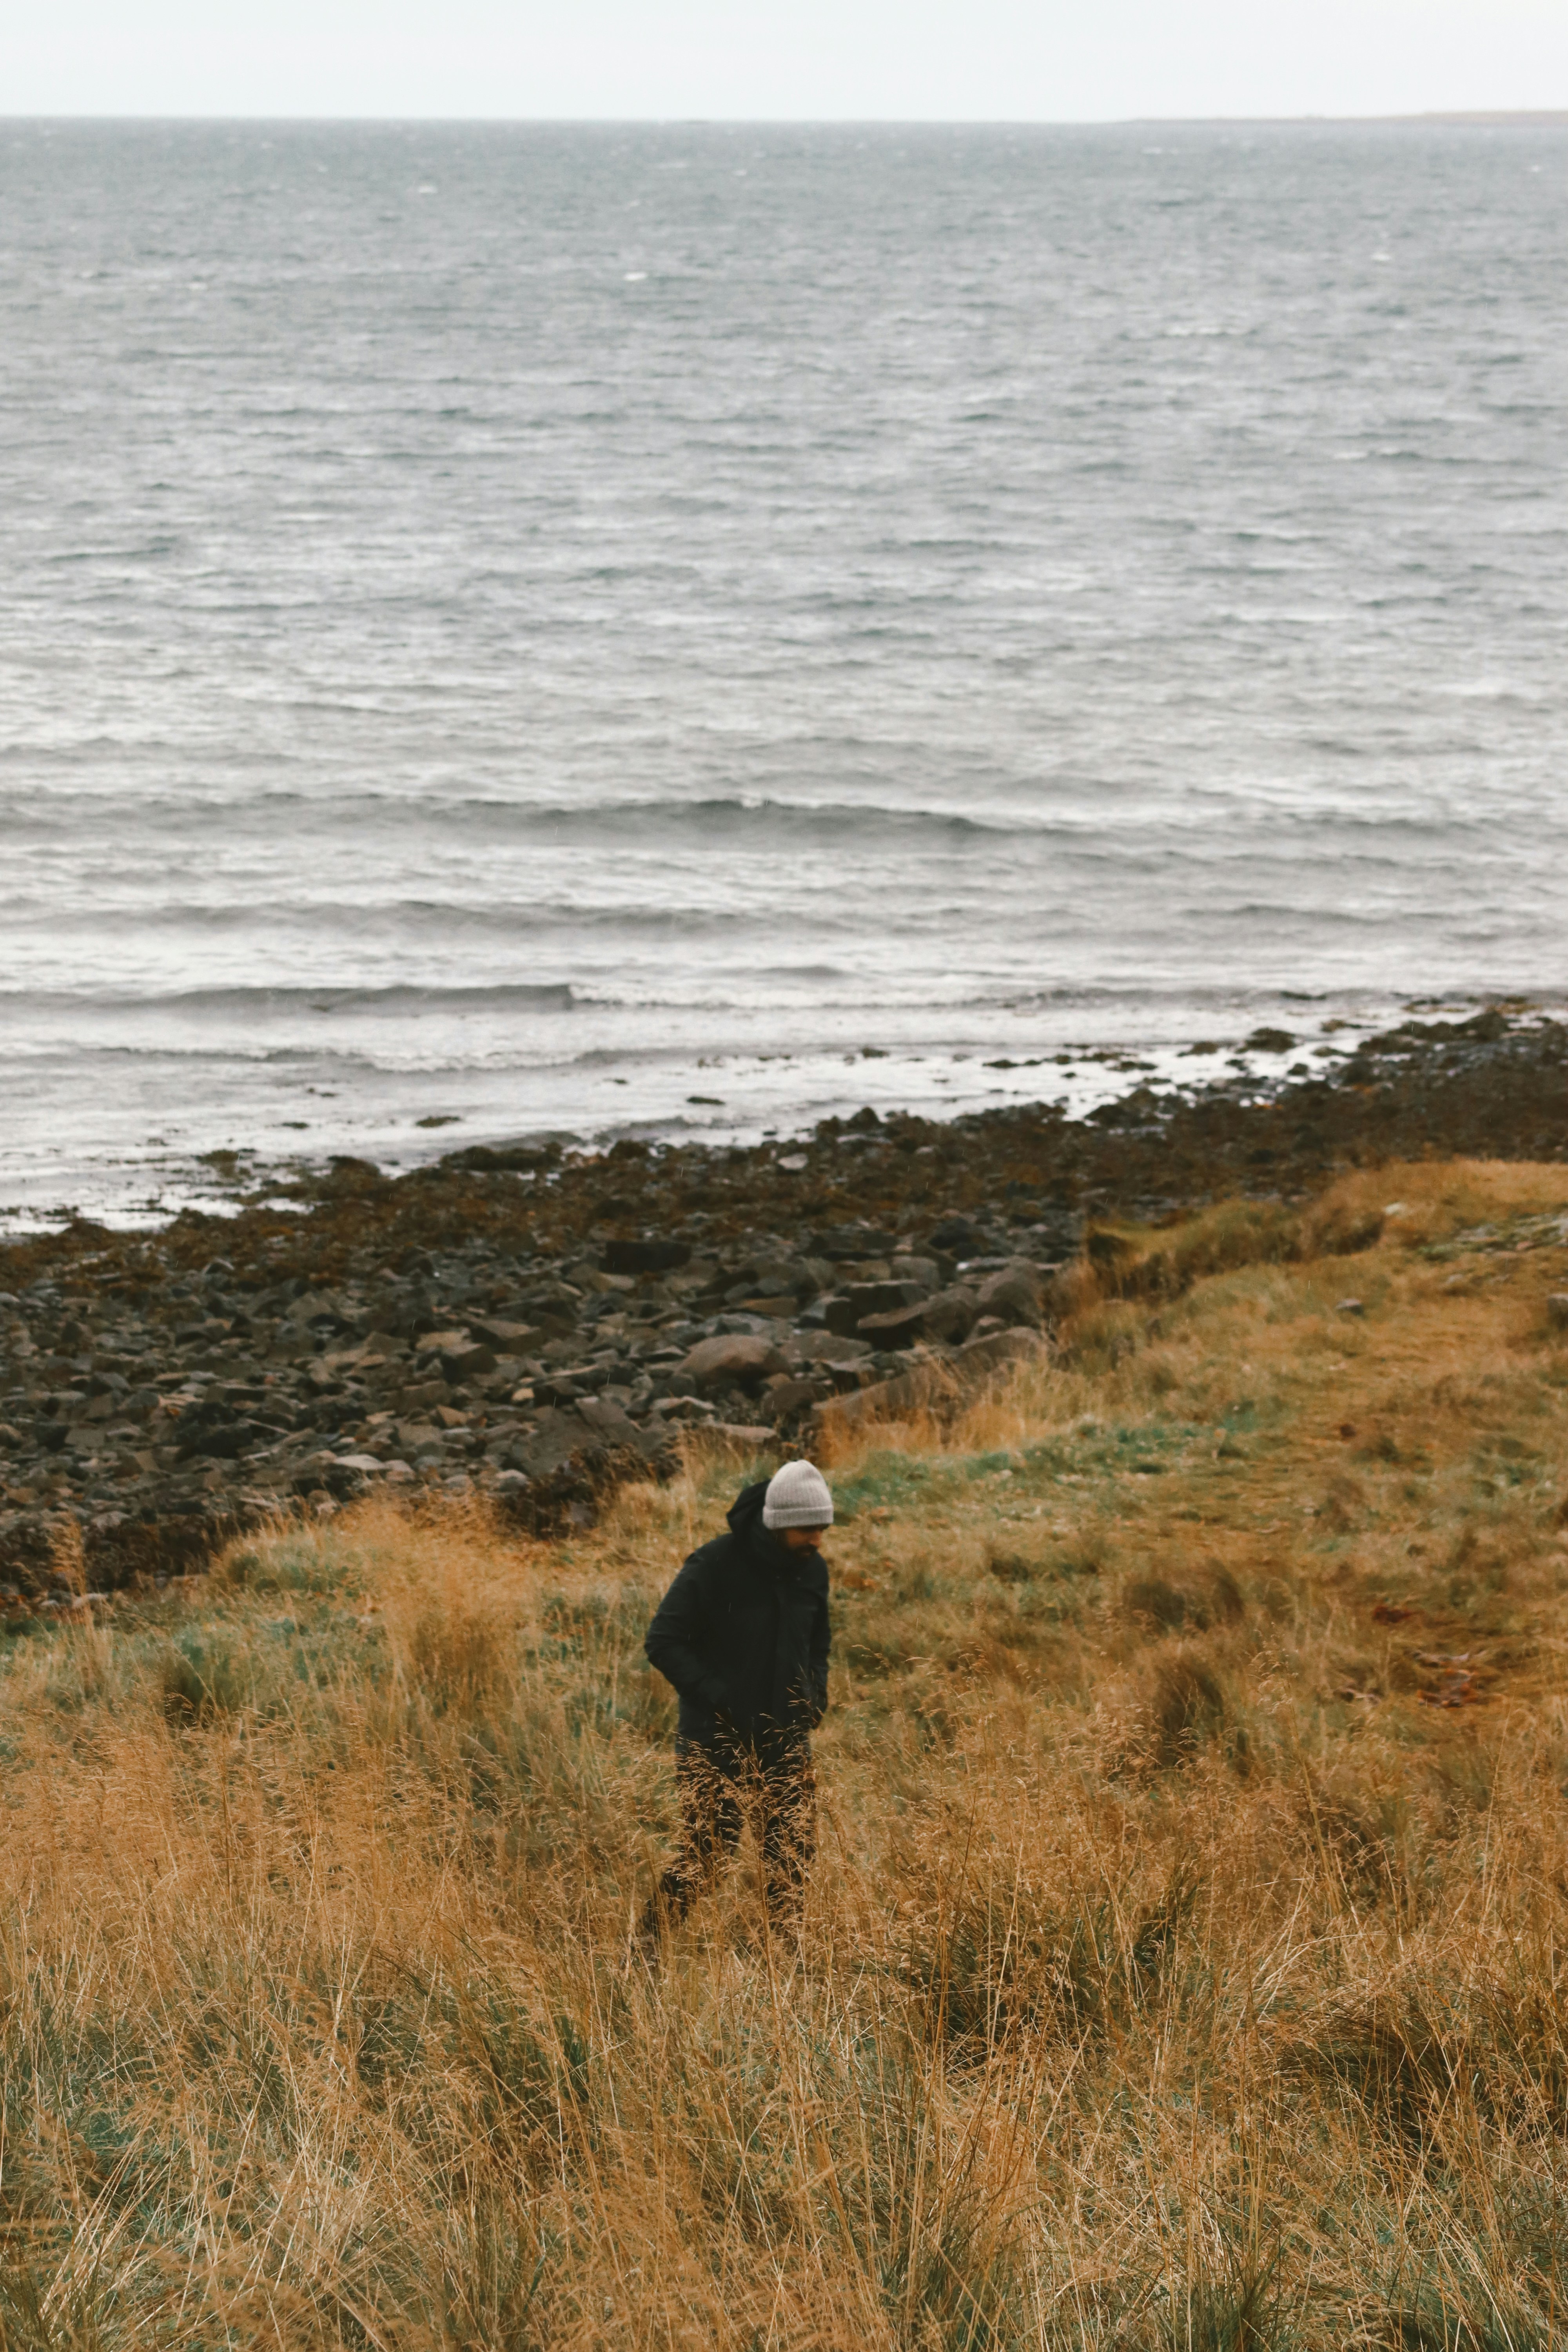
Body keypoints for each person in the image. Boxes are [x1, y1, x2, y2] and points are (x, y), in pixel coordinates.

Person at [640, 1459, 833, 1942]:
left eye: (823, 1528)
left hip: (786, 1738)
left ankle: (784, 1966)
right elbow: (663, 1641)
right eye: (808, 1529)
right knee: (708, 1858)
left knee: (792, 1856)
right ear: (777, 1526)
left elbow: (818, 1642)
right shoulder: (713, 1566)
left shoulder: (812, 1572)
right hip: (715, 1739)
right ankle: (646, 1945)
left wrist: (814, 1694)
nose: (817, 1540)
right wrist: (722, 1700)